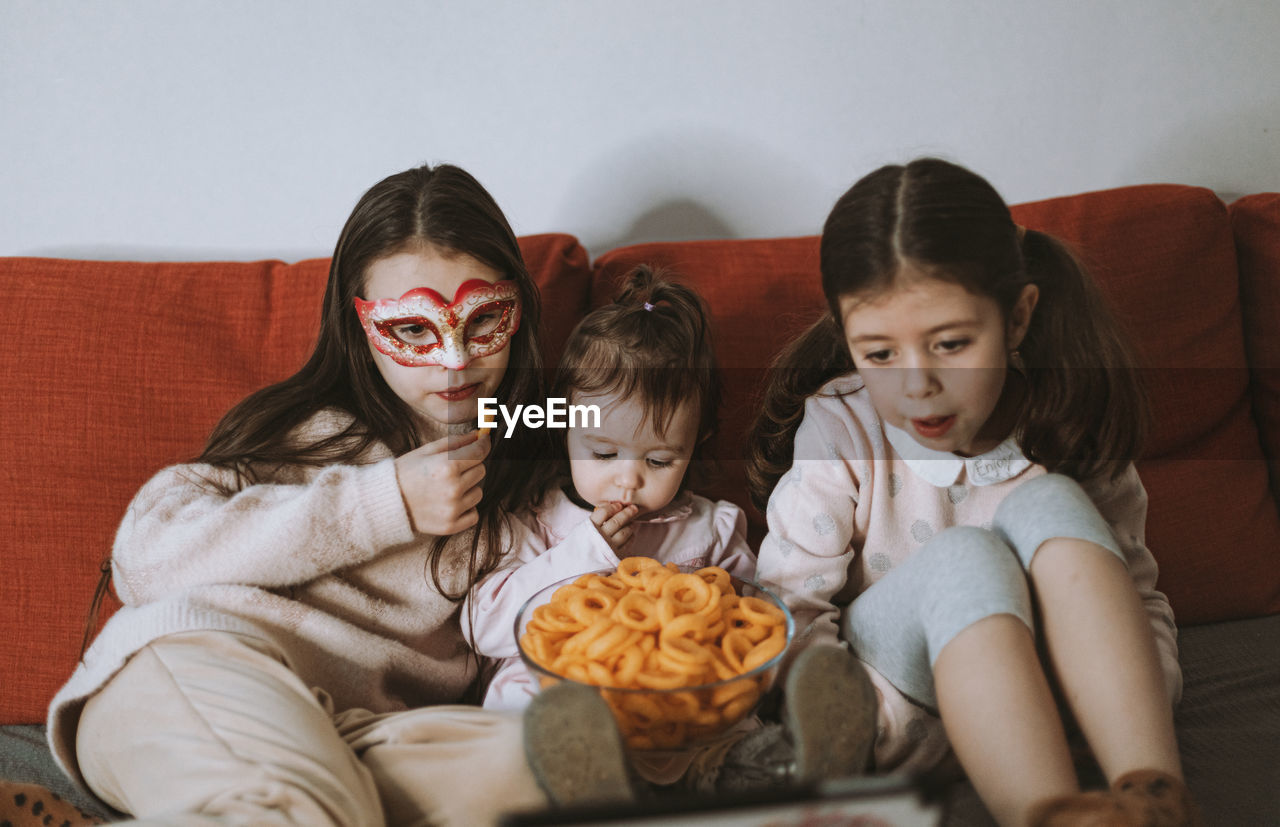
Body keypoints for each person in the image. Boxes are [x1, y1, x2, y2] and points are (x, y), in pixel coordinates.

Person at [48, 163, 552, 826]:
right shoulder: (307, 432)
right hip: (213, 665)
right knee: (298, 811)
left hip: (356, 733)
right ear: (359, 325)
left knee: (558, 771)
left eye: (484, 318)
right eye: (412, 330)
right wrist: (383, 502)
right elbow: (145, 556)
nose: (454, 361)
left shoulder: (539, 473)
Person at [746, 158, 1197, 826]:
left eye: (952, 343)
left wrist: (1124, 701)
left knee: (1048, 503)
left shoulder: (1066, 413)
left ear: (1017, 318)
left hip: (1066, 694)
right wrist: (898, 728)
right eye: (879, 354)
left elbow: (1131, 600)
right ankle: (1048, 813)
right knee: (966, 556)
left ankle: (1154, 794)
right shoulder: (841, 425)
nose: (918, 385)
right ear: (847, 340)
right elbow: (786, 618)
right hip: (901, 690)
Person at [468, 266, 874, 808]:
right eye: (604, 453)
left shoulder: (711, 528)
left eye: (659, 459)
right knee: (519, 702)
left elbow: (757, 625)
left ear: (697, 443)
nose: (628, 477)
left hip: (685, 710)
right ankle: (582, 785)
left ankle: (795, 762)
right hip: (570, 701)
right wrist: (584, 552)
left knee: (739, 729)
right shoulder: (536, 520)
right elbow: (484, 628)